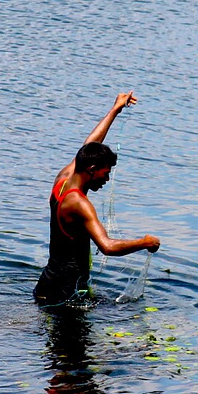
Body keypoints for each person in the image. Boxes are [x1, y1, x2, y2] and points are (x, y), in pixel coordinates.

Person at [34, 91, 160, 307]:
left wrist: (115, 109)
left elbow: (89, 145)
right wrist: (145, 242)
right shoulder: (79, 204)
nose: (107, 179)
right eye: (105, 173)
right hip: (63, 293)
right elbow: (107, 247)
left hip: (49, 283)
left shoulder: (63, 179)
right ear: (92, 170)